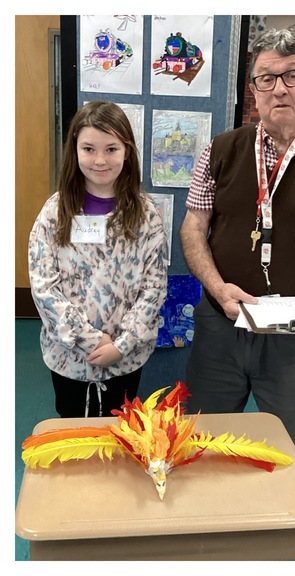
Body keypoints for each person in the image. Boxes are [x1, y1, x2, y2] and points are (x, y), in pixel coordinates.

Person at [179, 25, 295, 479]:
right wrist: (216, 287)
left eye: (293, 75)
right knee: (200, 443)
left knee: (294, 450)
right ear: (253, 89)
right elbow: (194, 228)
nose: (279, 88)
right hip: (221, 321)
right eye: (266, 78)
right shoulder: (220, 151)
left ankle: (287, 535)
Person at [29, 100, 168, 418]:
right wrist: (88, 339)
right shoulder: (56, 212)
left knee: (121, 436)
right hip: (70, 359)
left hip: (126, 357)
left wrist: (122, 344)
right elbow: (43, 287)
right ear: (75, 150)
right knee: (74, 434)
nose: (100, 160)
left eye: (111, 149)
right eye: (89, 149)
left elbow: (154, 286)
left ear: (127, 152)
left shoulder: (145, 214)